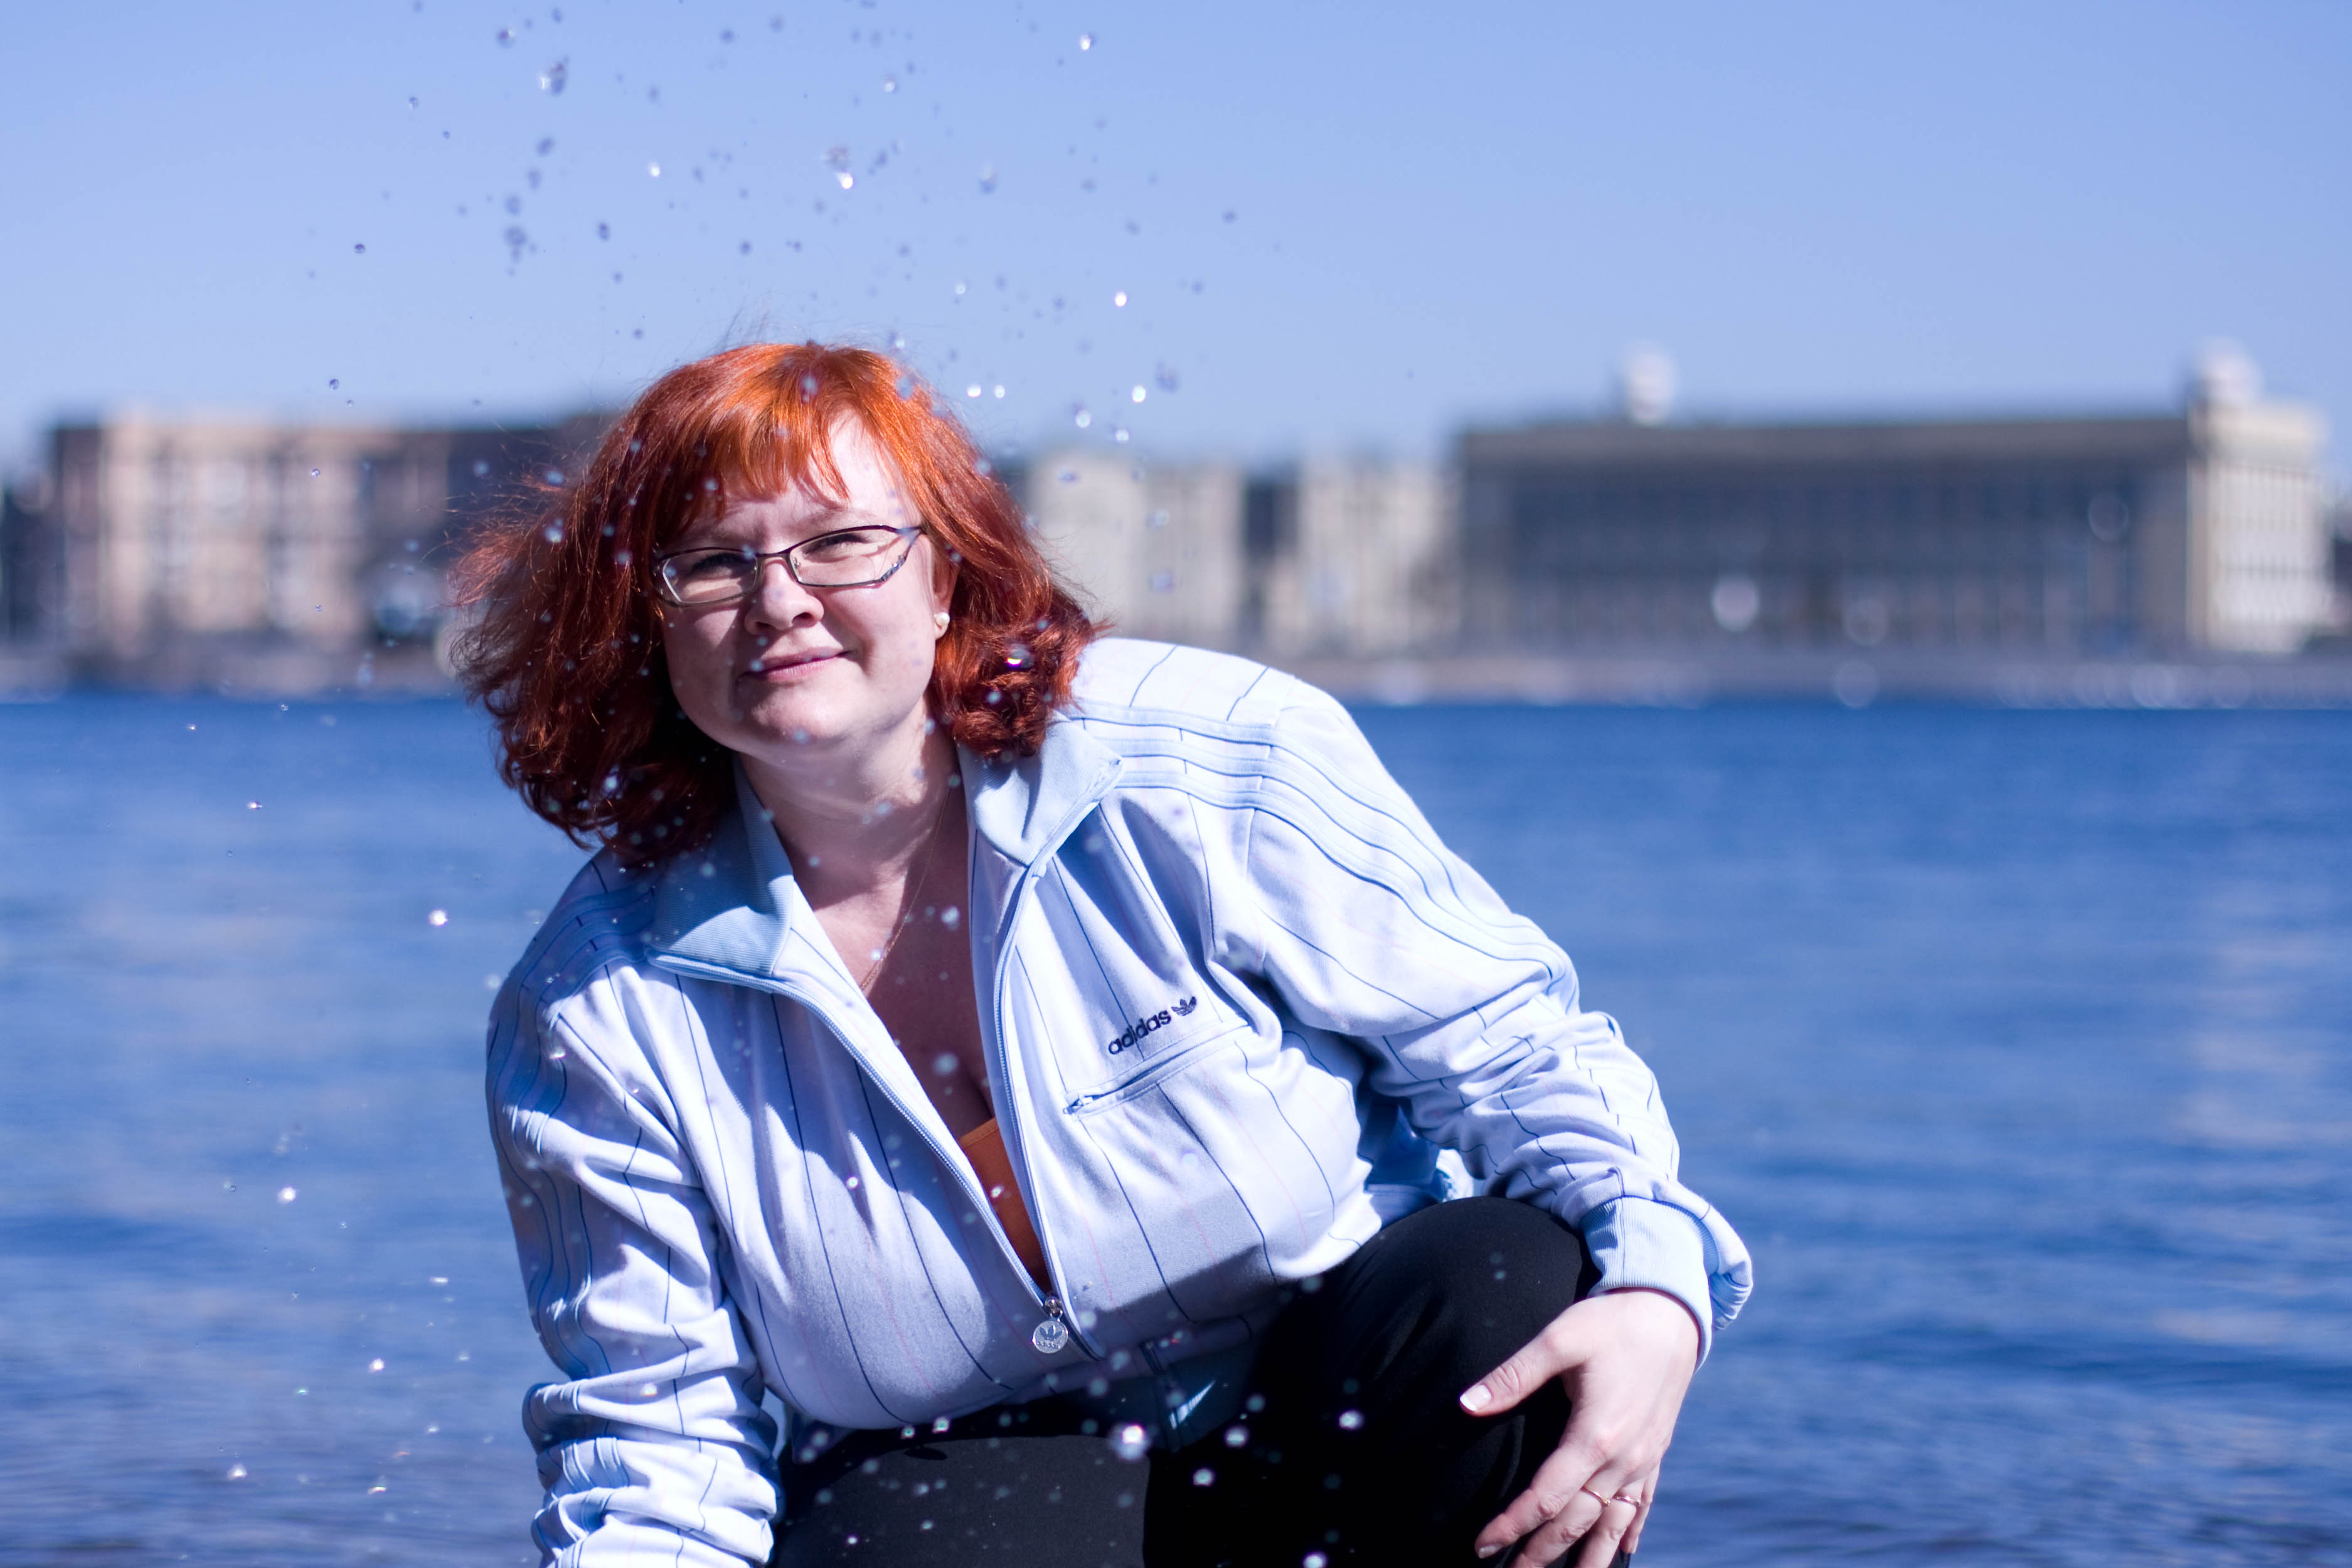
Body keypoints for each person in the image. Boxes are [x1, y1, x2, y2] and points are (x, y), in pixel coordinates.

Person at [452, 342, 1751, 1568]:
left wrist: (1659, 1291)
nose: (780, 600)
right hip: (981, 1485)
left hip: (1346, 1391)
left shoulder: (1207, 755)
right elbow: (661, 1434)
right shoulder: (592, 1008)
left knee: (1505, 1289)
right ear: (647, 621)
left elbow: (1515, 1058)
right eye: (711, 565)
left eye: (841, 541)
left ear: (944, 574)